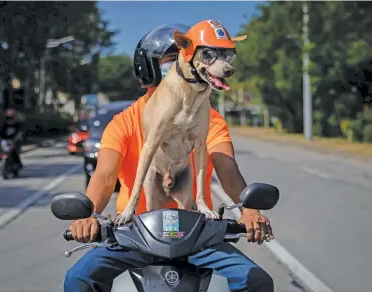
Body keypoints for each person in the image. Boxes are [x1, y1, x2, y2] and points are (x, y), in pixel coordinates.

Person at [65, 23, 274, 292]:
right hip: (134, 235)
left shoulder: (207, 118)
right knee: (77, 280)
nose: (180, 63)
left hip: (198, 234)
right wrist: (88, 215)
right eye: (171, 59)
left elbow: (227, 168)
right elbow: (104, 176)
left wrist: (249, 209)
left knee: (257, 281)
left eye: (185, 56)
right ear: (149, 67)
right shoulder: (124, 122)